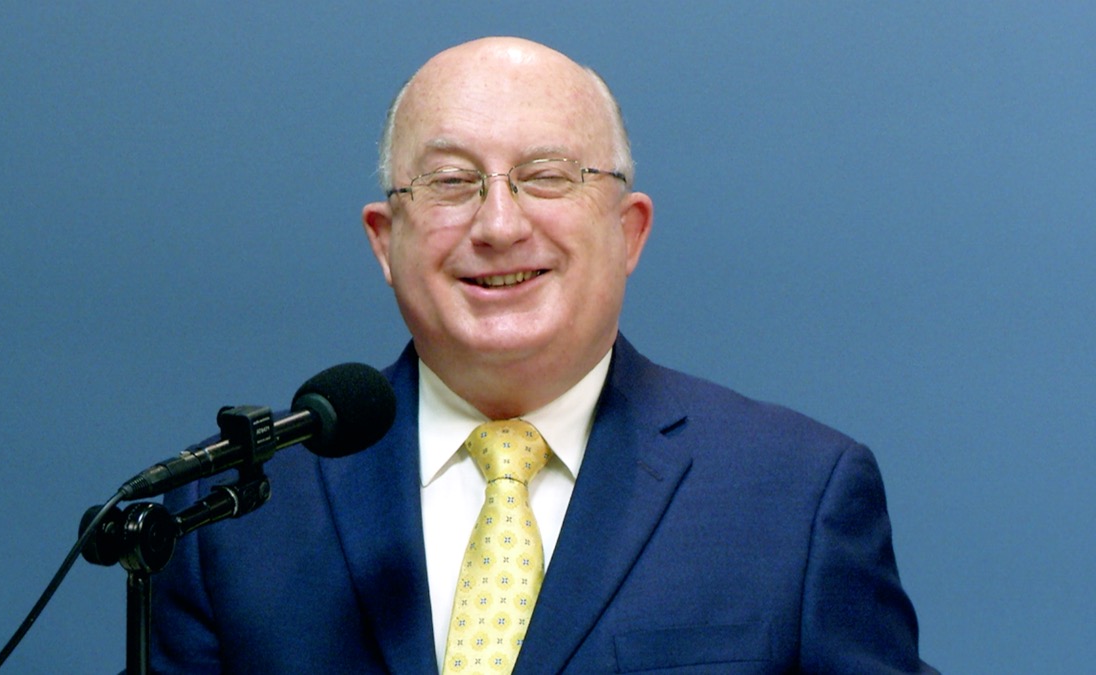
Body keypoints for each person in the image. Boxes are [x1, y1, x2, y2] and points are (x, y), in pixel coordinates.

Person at [151, 36, 936, 674]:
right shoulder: (234, 512)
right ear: (385, 242)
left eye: (547, 176)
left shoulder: (795, 496)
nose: (499, 225)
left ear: (628, 231)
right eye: (451, 181)